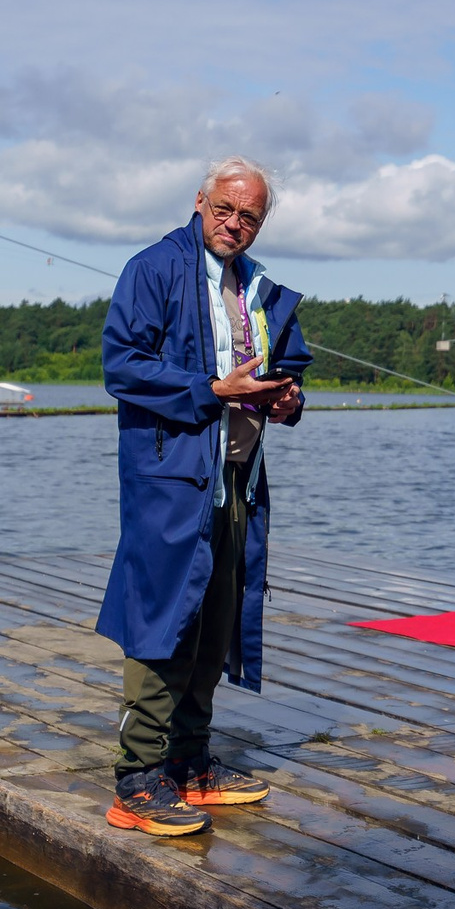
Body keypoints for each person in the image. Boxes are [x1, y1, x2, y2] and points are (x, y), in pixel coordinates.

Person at [97, 157, 314, 836]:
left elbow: (292, 374)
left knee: (217, 625)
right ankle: (137, 780)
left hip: (239, 481)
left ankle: (190, 764)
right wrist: (212, 390)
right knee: (164, 622)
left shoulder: (260, 288)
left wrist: (288, 399)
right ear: (200, 201)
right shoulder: (153, 269)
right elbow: (122, 366)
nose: (235, 224)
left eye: (249, 215)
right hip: (171, 482)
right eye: (225, 208)